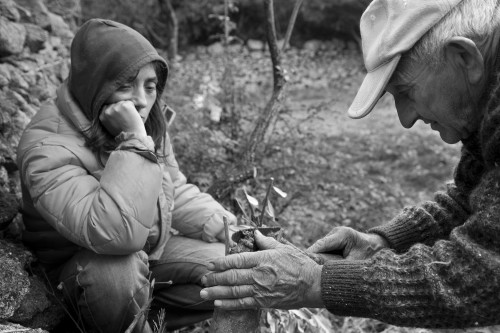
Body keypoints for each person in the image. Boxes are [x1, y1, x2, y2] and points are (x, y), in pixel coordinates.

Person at [200, 0, 500, 329]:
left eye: (405, 91)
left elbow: (485, 272)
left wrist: (316, 282)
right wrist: (384, 241)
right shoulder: (483, 108)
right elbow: (470, 198)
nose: (405, 117)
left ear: (464, 58)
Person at [17, 18, 238, 333]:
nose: (142, 100)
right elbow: (113, 235)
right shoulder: (47, 146)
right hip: (84, 270)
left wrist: (229, 228)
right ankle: (106, 320)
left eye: (150, 86)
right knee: (117, 272)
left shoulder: (144, 123)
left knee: (234, 267)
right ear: (95, 83)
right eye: (124, 84)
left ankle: (139, 322)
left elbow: (173, 190)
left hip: (147, 253)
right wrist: (134, 142)